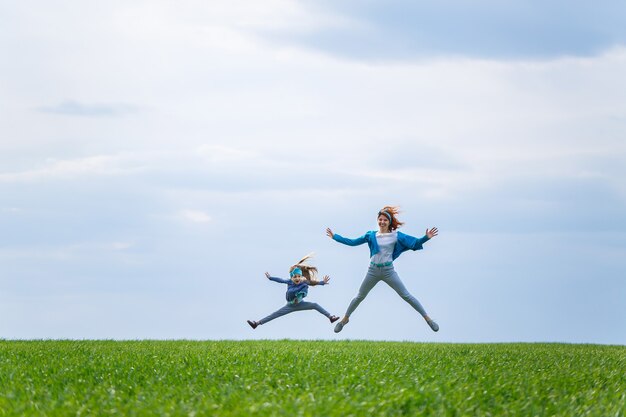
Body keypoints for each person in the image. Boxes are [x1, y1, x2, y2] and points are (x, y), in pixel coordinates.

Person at [326, 205, 439, 333]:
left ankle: (428, 319)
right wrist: (335, 237)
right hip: (372, 271)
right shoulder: (371, 235)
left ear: (389, 222)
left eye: (385, 220)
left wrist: (426, 238)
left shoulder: (396, 235)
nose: (382, 222)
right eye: (380, 219)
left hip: (388, 271)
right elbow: (352, 242)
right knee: (359, 296)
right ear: (377, 220)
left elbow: (414, 243)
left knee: (406, 295)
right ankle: (345, 320)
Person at [247, 254, 340, 329]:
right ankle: (257, 323)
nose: (297, 278)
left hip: (300, 303)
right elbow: (280, 280)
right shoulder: (289, 281)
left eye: (298, 276)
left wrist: (322, 282)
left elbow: (312, 282)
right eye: (294, 277)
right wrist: (271, 278)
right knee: (274, 314)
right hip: (290, 304)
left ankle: (330, 317)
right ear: (291, 277)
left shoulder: (303, 281)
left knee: (314, 303)